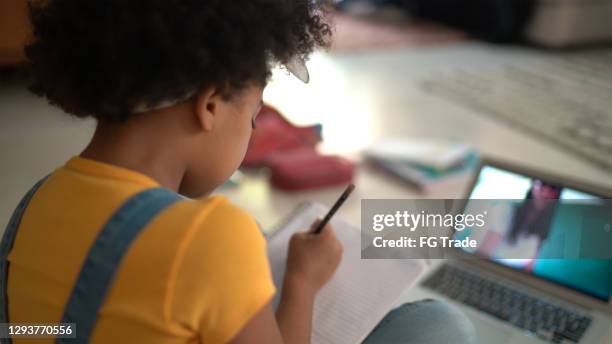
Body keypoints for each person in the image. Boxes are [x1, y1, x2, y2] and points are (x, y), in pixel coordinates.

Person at [2, 1, 475, 343]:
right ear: (209, 104)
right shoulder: (212, 236)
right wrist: (301, 285)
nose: (251, 130)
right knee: (437, 326)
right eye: (252, 115)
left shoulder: (39, 201)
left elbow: (31, 329)